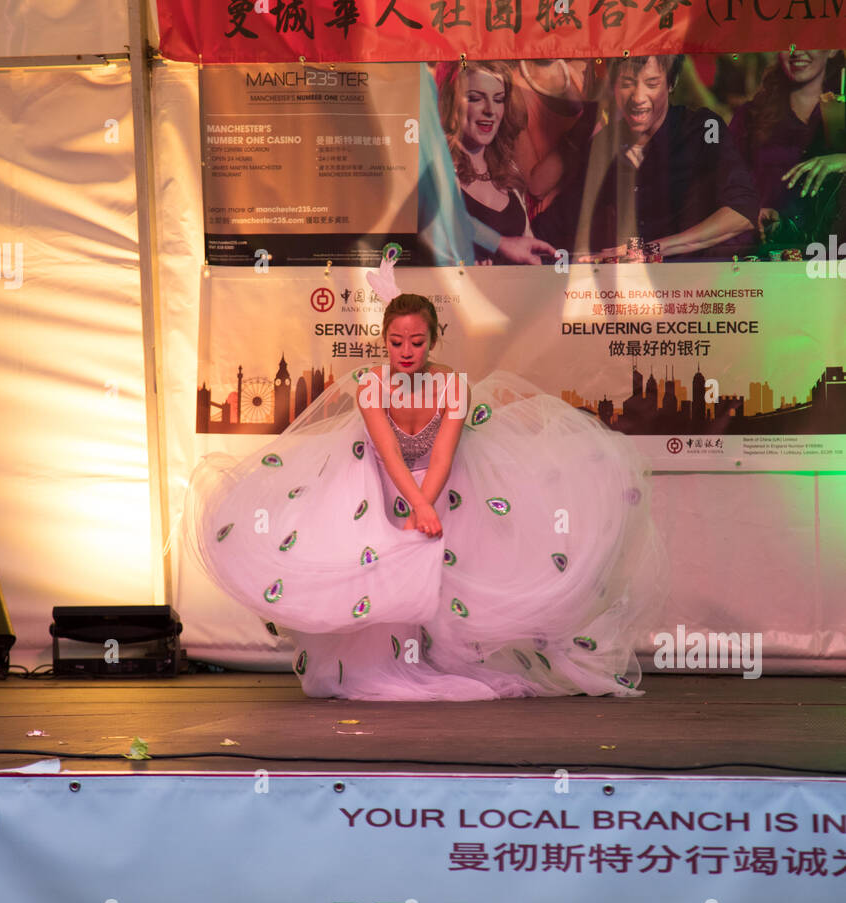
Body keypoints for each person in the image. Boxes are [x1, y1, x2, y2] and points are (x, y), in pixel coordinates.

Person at [181, 255, 665, 701]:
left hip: (446, 488)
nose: (406, 351)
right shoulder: (371, 384)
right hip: (380, 488)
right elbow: (389, 452)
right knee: (378, 574)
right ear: (384, 340)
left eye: (416, 342)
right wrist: (416, 505)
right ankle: (389, 659)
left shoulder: (453, 384)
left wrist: (428, 504)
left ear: (433, 340)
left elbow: (445, 454)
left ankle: (443, 657)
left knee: (450, 576)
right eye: (395, 342)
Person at [531, 54, 760, 261]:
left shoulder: (703, 128)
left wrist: (651, 249)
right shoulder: (606, 144)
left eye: (652, 84)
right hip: (631, 290)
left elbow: (741, 212)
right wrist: (504, 244)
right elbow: (560, 219)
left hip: (696, 285)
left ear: (672, 83)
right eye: (627, 84)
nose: (638, 97)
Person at [435, 60, 556, 264]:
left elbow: (529, 250)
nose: (491, 110)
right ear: (452, 104)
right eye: (475, 98)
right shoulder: (439, 171)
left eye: (498, 99)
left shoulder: (508, 173)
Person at [727, 48, 846, 247]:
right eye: (787, 40)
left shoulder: (838, 113)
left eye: (809, 40)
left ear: (832, 49)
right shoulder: (750, 117)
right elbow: (724, 185)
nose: (796, 50)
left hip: (831, 259)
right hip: (764, 255)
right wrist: (754, 212)